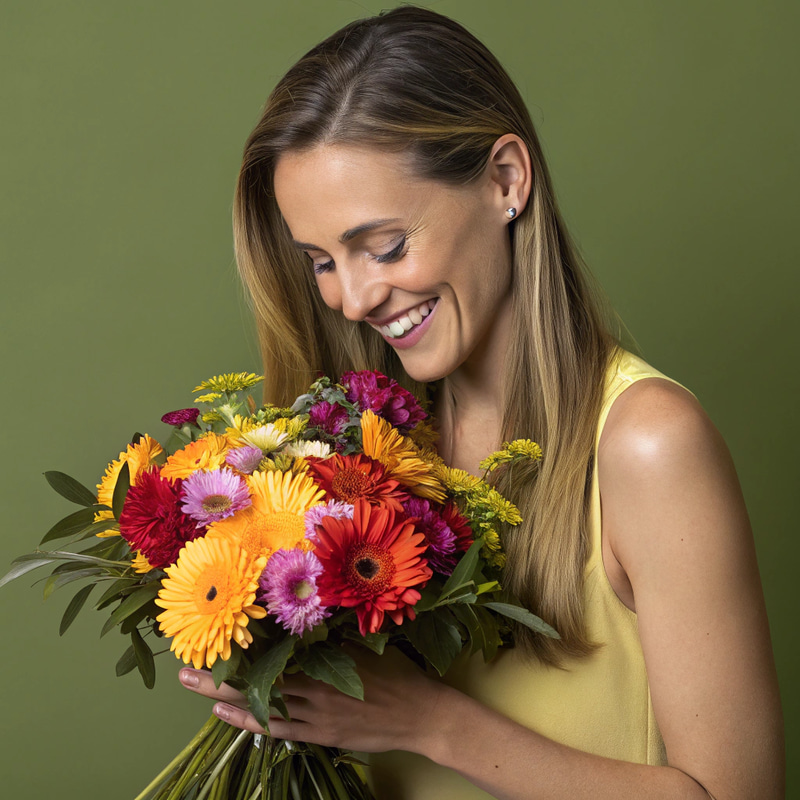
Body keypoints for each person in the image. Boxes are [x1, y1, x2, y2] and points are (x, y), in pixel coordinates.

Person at [176, 7, 784, 798]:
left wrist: (429, 722)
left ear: (506, 180)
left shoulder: (647, 444)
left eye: (384, 245)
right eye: (322, 261)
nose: (354, 298)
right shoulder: (355, 452)